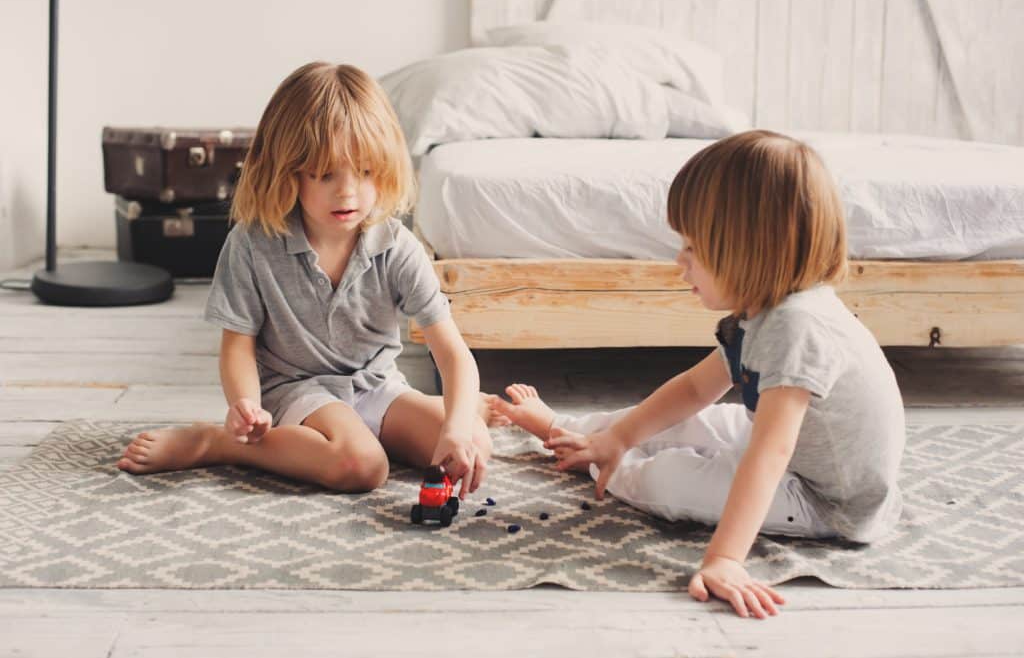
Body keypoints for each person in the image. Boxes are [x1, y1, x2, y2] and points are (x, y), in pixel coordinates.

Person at [490, 130, 905, 618]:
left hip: (825, 499)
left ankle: (600, 463)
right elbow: (695, 389)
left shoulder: (798, 326)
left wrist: (725, 559)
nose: (678, 261)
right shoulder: (765, 310)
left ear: (749, 249)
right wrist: (622, 433)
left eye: (693, 247)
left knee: (668, 480)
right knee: (676, 422)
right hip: (785, 450)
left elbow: (772, 455)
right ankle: (584, 435)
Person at [118, 62, 494, 497]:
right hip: (298, 392)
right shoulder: (253, 244)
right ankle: (215, 443)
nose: (348, 191)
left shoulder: (397, 247)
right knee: (363, 466)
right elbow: (237, 344)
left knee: (474, 440)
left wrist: (457, 429)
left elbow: (454, 355)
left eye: (365, 171)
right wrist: (245, 405)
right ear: (288, 170)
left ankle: (375, 433)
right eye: (325, 173)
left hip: (376, 386)